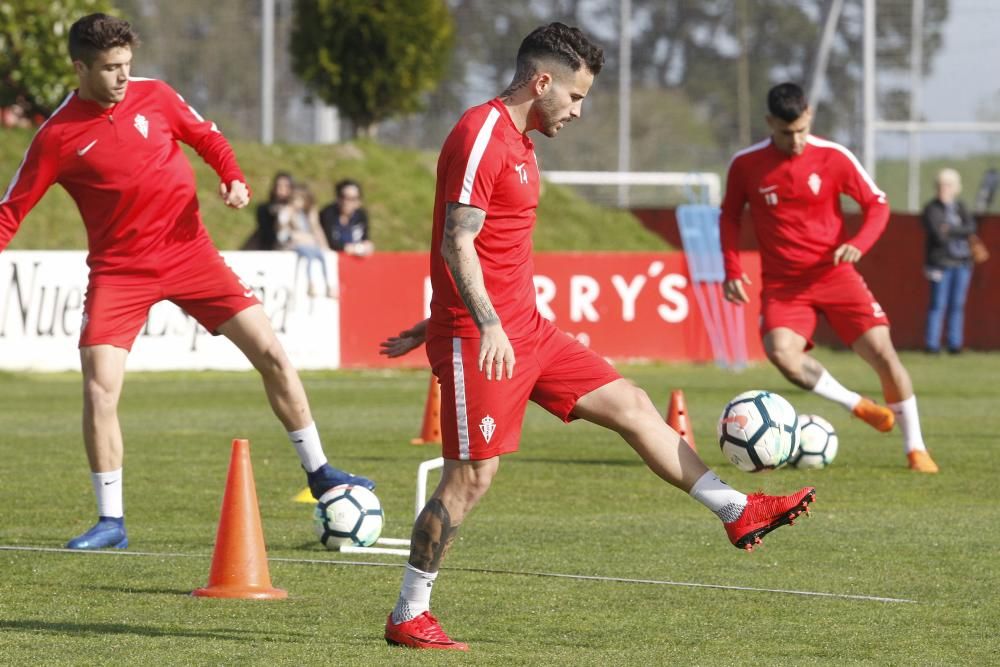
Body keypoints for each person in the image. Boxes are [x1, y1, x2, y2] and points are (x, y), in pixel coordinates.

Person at [378, 23, 816, 652]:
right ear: (542, 81)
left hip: (525, 329)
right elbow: (457, 237)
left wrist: (454, 318)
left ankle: (735, 509)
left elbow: (487, 250)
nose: (580, 111)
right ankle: (408, 612)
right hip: (484, 339)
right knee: (471, 478)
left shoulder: (524, 145)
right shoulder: (481, 133)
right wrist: (474, 324)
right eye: (577, 97)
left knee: (634, 404)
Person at [0, 13, 374, 550]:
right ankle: (112, 521)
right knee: (99, 389)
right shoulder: (56, 136)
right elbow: (11, 211)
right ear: (80, 68)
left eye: (127, 64)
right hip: (119, 271)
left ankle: (319, 472)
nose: (123, 77)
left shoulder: (157, 95)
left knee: (271, 352)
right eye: (110, 68)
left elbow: (208, 137)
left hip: (190, 255)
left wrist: (235, 177)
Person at [719, 82, 938, 474]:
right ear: (770, 123)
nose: (797, 140)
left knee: (885, 356)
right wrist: (732, 270)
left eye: (802, 129)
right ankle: (855, 404)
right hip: (785, 286)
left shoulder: (834, 157)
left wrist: (860, 242)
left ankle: (916, 449)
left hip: (836, 274)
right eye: (787, 133)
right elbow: (730, 217)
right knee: (782, 355)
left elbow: (877, 204)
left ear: (810, 117)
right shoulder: (746, 164)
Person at [921, 168, 977, 354]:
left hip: (962, 262)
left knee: (957, 305)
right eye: (941, 185)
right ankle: (932, 345)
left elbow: (970, 227)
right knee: (938, 304)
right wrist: (955, 230)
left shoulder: (960, 207)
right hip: (940, 263)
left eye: (948, 185)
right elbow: (938, 235)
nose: (944, 189)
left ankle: (955, 344)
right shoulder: (932, 209)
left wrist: (950, 229)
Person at [277, 183, 337, 298]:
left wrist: (323, 246)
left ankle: (328, 285)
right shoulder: (289, 213)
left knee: (321, 257)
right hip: (296, 244)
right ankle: (310, 283)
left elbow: (315, 229)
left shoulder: (305, 215)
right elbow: (283, 229)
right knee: (308, 257)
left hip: (308, 243)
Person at [319, 179, 374, 256]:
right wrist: (347, 248)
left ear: (359, 201)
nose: (346, 202)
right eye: (344, 197)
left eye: (353, 199)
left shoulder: (361, 216)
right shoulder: (327, 214)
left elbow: (365, 239)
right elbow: (327, 242)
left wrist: (366, 246)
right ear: (338, 198)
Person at [252, 171, 293, 251]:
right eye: (279, 186)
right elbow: (266, 233)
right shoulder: (264, 209)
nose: (282, 189)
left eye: (286, 186)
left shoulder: (296, 209)